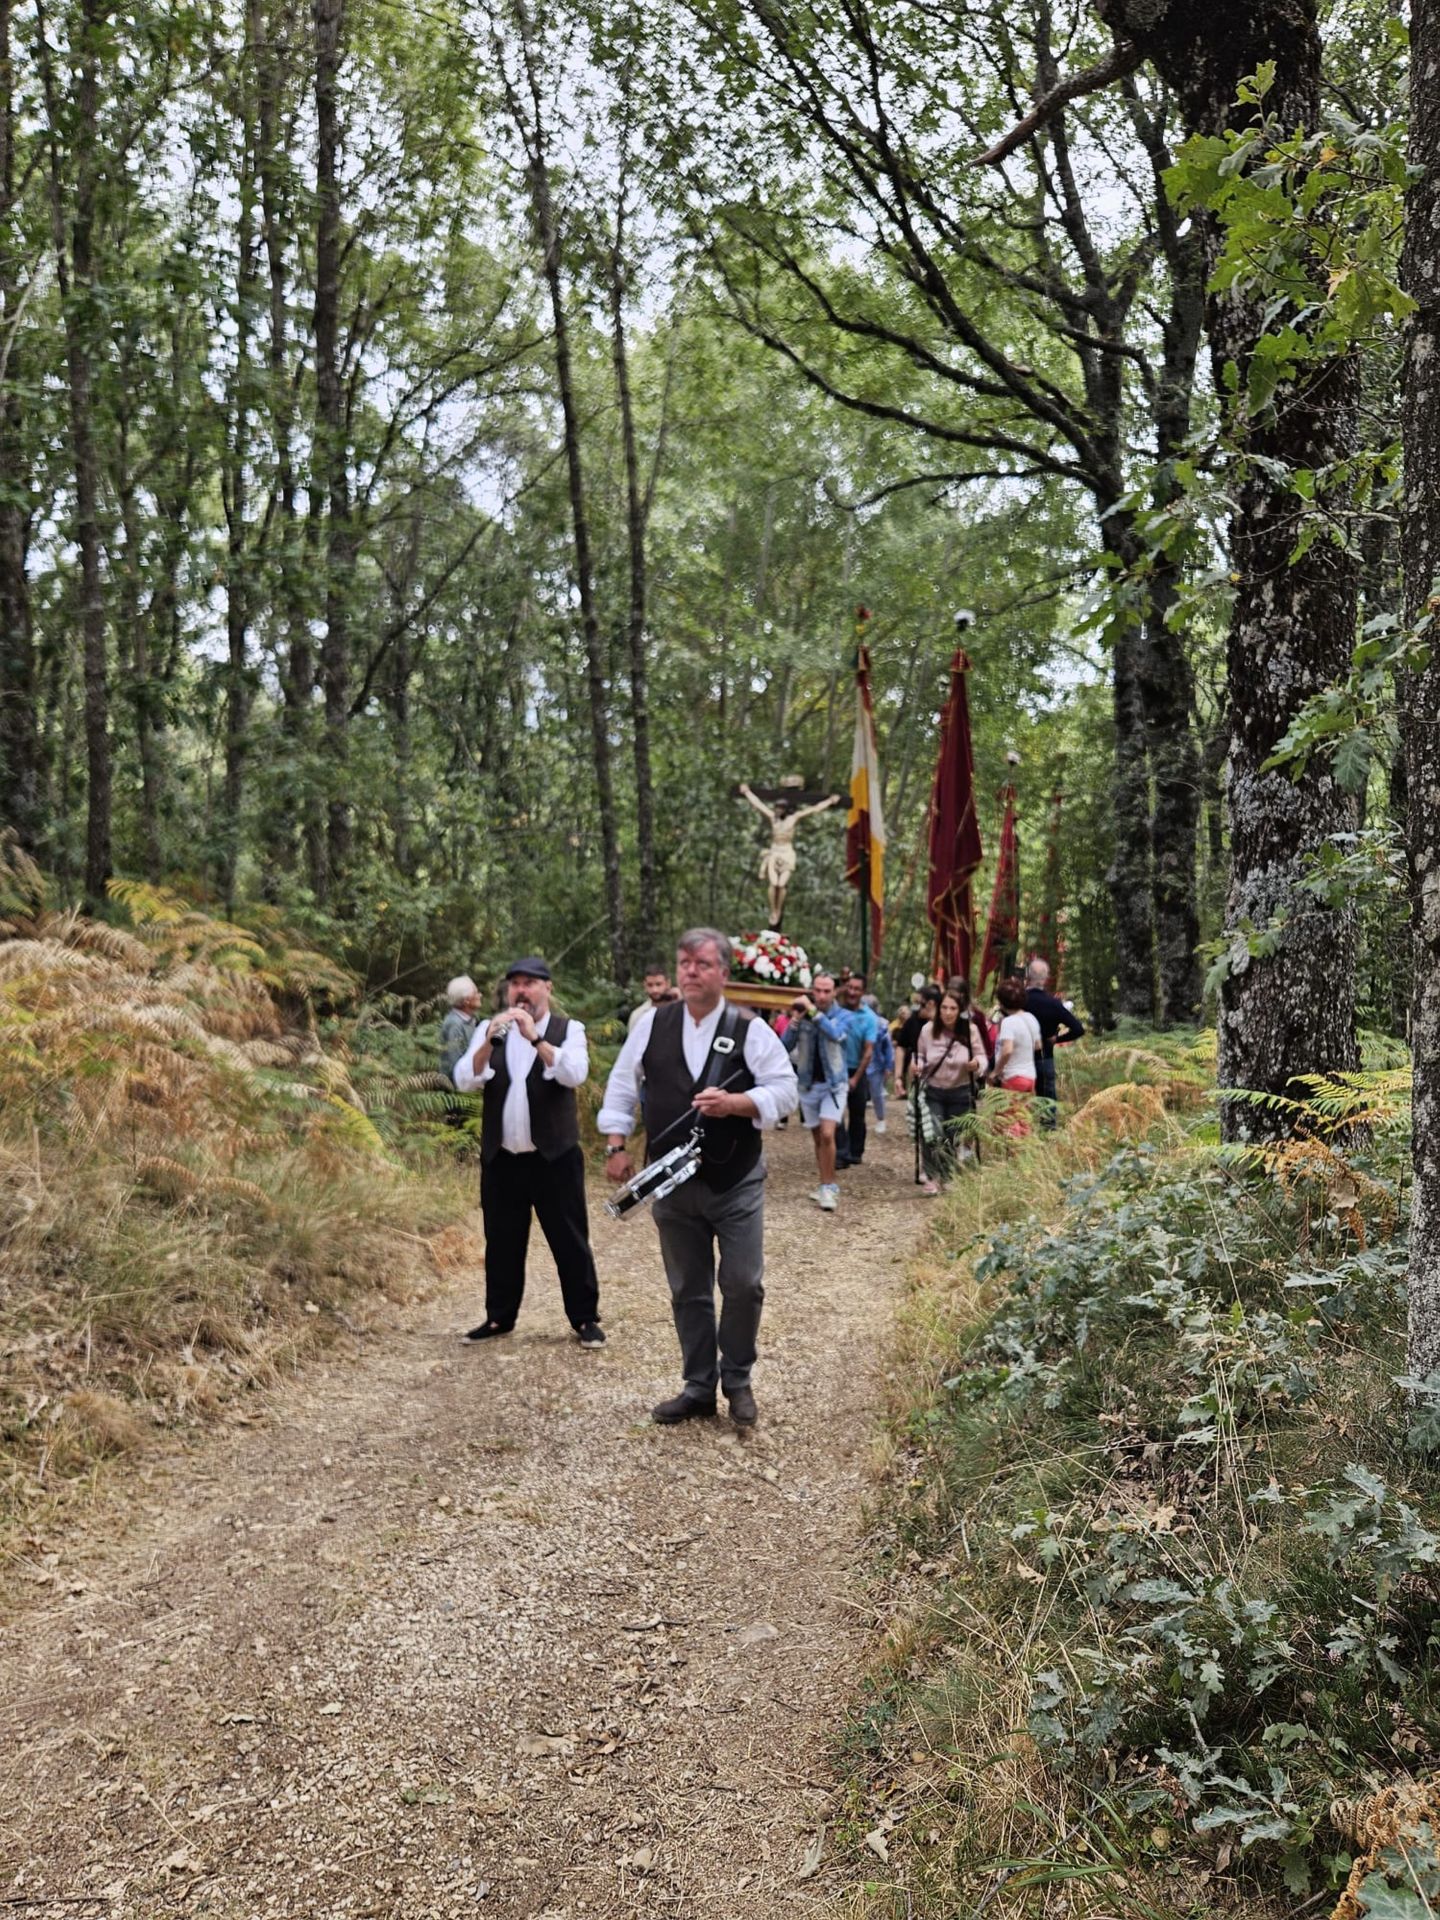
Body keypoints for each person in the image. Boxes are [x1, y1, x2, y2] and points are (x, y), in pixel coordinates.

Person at [599, 928, 798, 1428]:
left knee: (744, 1283)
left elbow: (786, 1090)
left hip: (736, 1180)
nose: (690, 971)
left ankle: (738, 1379)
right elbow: (623, 1085)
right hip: (670, 1183)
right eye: (684, 962)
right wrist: (616, 1143)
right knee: (688, 1287)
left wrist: (738, 1103)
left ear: (724, 973)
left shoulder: (749, 1027)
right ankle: (698, 1386)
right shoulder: (651, 1025)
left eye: (702, 964)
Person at [454, 958, 604, 1348]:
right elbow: (464, 1079)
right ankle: (499, 1318)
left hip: (554, 1157)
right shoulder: (490, 1030)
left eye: (530, 983)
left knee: (569, 1238)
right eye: (515, 984)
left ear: (547, 989)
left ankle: (585, 1318)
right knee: (502, 1240)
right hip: (502, 1158)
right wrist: (489, 1040)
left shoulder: (569, 1029)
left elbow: (575, 1073)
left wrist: (536, 1039)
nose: (521, 991)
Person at [782, 971, 852, 1211]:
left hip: (834, 1085)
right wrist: (794, 1021)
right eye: (818, 990)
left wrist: (812, 1012)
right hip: (807, 1084)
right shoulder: (802, 1014)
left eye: (826, 991)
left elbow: (836, 1035)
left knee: (827, 1134)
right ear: (813, 990)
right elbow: (784, 1046)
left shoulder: (843, 1015)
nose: (821, 995)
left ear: (834, 992)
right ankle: (824, 1182)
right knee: (817, 1138)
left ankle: (830, 1186)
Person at [913, 990, 986, 1195]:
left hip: (961, 1090)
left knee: (952, 1136)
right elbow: (919, 1053)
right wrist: (917, 1065)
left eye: (953, 1008)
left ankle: (947, 1176)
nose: (947, 1012)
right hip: (934, 1089)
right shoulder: (928, 1030)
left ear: (961, 1010)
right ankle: (931, 1175)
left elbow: (982, 1056)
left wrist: (977, 1064)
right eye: (944, 1007)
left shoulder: (970, 1031)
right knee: (932, 1132)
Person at [1024, 957, 1085, 1126]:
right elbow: (1078, 1029)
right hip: (1045, 1057)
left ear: (1028, 976)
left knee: (1018, 1102)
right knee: (1047, 1102)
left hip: (1019, 1059)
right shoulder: (1054, 1004)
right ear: (1045, 978)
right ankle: (1048, 1135)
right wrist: (1057, 1039)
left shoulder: (1019, 1001)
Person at [835, 972, 879, 1167]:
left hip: (857, 1069)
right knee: (835, 1112)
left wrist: (855, 1078)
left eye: (856, 989)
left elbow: (868, 1051)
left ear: (863, 992)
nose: (852, 992)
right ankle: (841, 1153)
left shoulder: (869, 1018)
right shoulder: (836, 1009)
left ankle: (855, 1151)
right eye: (850, 988)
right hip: (836, 1069)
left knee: (857, 1113)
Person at [995, 978, 1045, 1135]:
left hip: (1013, 1076)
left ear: (1002, 1002)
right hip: (1030, 1076)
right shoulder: (1031, 1018)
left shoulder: (1009, 1022)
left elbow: (1007, 1050)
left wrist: (996, 1071)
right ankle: (1024, 1153)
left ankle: (1013, 1155)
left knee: (1010, 1120)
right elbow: (1038, 1046)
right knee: (1023, 1118)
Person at [895, 984, 941, 1092]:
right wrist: (898, 1077)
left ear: (931, 1004)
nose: (917, 1007)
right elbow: (901, 1047)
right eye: (915, 1003)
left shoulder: (946, 1024)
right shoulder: (912, 1021)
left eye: (920, 1004)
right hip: (917, 1076)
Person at [439, 975, 481, 1084]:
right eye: (476, 993)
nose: (480, 995)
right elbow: (455, 1064)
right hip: (457, 1091)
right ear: (467, 1000)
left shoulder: (472, 1019)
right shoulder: (454, 1024)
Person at [863, 993, 894, 1133]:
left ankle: (881, 1119)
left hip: (876, 1065)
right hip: (859, 1064)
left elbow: (888, 1048)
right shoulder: (856, 1021)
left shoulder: (882, 1024)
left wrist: (888, 1066)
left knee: (877, 1094)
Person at [628, 963, 673, 1034]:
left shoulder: (680, 1010)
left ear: (668, 984)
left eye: (658, 984)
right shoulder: (638, 1015)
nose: (654, 990)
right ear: (645, 985)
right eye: (650, 985)